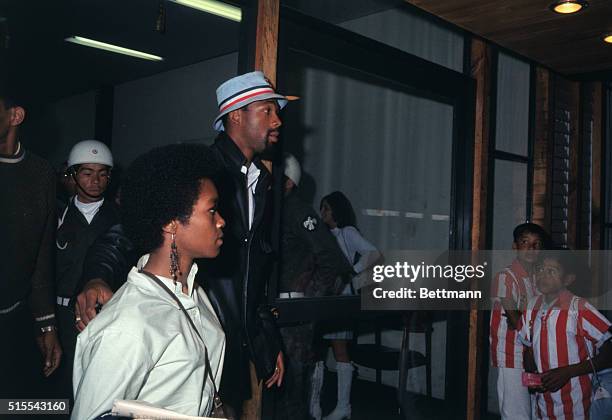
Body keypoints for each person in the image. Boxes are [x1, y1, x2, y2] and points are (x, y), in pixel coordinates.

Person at [72, 144, 226, 419]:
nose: (222, 221)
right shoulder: (129, 324)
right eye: (212, 211)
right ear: (171, 223)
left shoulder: (194, 291)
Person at [276, 155, 352, 420]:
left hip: (292, 313)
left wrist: (307, 300)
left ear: (287, 183)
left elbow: (334, 260)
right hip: (272, 311)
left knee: (293, 384)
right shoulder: (269, 211)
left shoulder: (297, 211)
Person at [0, 90, 62, 396]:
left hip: (13, 322)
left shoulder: (41, 174)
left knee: (15, 406)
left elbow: (41, 254)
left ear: (15, 116)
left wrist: (46, 323)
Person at [54, 139, 119, 401]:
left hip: (103, 315)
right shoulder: (55, 215)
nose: (96, 180)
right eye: (88, 173)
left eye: (103, 174)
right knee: (63, 388)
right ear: (72, 175)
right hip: (62, 317)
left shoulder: (119, 218)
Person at [519, 250, 612, 419]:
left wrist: (568, 372)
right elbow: (528, 347)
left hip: (577, 406)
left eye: (551, 271)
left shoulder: (579, 308)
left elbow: (609, 350)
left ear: (568, 279)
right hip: (543, 406)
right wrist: (532, 375)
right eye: (540, 269)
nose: (543, 275)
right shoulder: (532, 306)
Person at [315, 191, 382, 420]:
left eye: (327, 208)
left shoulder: (348, 232)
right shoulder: (320, 234)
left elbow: (374, 254)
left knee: (339, 350)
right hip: (321, 298)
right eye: (321, 207)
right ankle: (314, 406)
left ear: (337, 210)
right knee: (317, 353)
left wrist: (351, 273)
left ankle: (344, 407)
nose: (322, 212)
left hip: (340, 299)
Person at [490, 222, 548, 420]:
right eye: (525, 242)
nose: (531, 248)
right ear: (515, 247)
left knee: (533, 409)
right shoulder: (505, 277)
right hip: (512, 353)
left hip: (533, 353)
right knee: (516, 412)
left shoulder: (537, 279)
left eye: (537, 244)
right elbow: (515, 319)